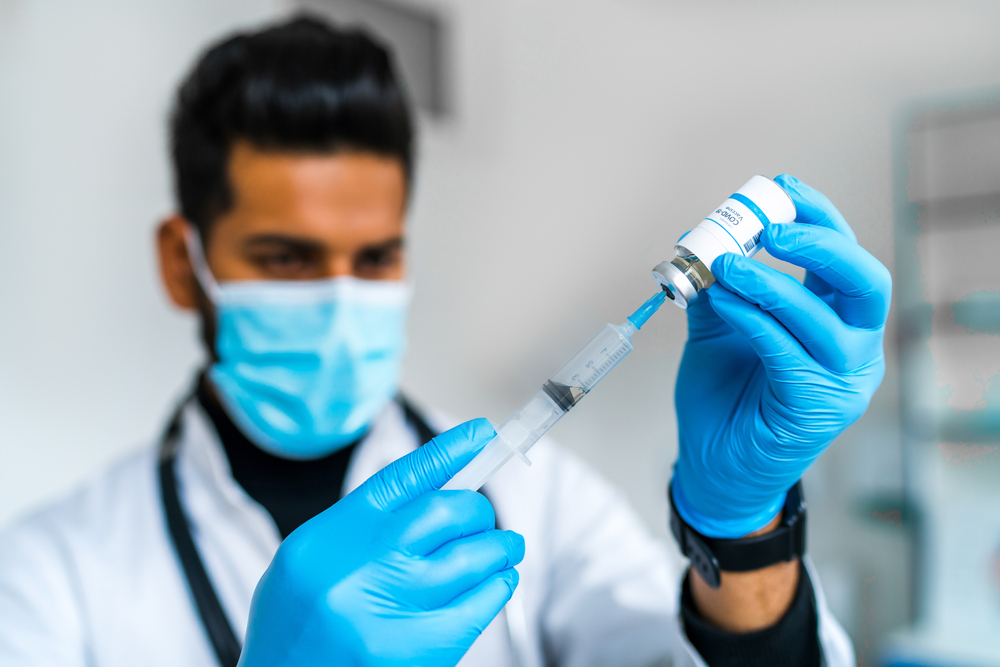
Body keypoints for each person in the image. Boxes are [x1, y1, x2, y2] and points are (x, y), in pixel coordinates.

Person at [0, 15, 890, 667]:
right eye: (287, 258)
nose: (342, 297)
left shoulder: (538, 501)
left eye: (375, 256)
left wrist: (741, 531)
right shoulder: (52, 572)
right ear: (181, 263)